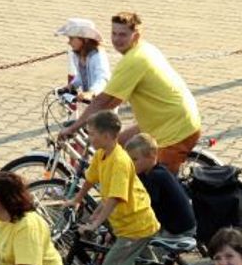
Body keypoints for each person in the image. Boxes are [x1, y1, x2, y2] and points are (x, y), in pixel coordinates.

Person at [59, 11, 202, 172]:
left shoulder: (134, 60)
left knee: (156, 186)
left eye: (123, 34)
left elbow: (103, 101)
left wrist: (74, 128)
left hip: (175, 130)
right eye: (114, 33)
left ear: (136, 35)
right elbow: (113, 101)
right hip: (161, 121)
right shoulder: (143, 49)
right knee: (117, 148)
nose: (117, 39)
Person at [68, 110, 160, 265]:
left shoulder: (119, 161)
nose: (89, 138)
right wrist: (77, 199)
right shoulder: (102, 154)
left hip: (135, 226)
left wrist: (95, 222)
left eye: (92, 134)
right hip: (126, 224)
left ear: (108, 135)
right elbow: (90, 178)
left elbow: (115, 198)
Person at [124, 132, 196, 239]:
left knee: (134, 237)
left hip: (177, 230)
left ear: (151, 156)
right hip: (183, 224)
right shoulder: (155, 169)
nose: (131, 164)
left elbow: (145, 207)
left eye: (135, 159)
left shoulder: (156, 177)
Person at [55, 17, 110, 98]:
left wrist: (92, 92)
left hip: (103, 102)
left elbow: (103, 78)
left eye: (71, 38)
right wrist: (72, 85)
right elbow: (81, 77)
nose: (69, 42)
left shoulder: (97, 56)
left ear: (85, 40)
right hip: (90, 102)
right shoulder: (77, 55)